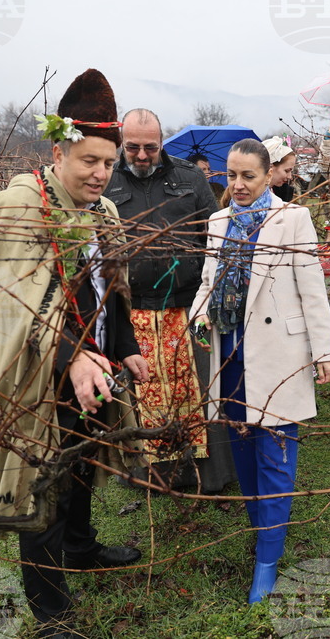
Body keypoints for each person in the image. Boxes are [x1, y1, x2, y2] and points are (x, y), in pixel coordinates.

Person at [0, 69, 148, 637]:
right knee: (42, 475)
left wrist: (126, 349)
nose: (100, 174)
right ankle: (49, 607)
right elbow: (12, 298)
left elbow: (111, 290)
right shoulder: (21, 204)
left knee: (83, 464)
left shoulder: (104, 213)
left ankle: (81, 546)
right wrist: (69, 355)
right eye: (89, 161)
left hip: (93, 367)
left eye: (108, 165)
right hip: (38, 372)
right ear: (59, 150)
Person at [190, 138, 330, 604]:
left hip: (277, 354)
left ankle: (268, 560)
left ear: (269, 174)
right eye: (230, 175)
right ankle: (262, 529)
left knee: (274, 453)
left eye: (248, 176)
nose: (237, 185)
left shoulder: (291, 218)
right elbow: (207, 280)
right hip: (229, 353)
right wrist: (199, 315)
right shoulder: (217, 220)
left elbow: (312, 287)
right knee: (243, 446)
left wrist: (324, 351)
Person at [105, 108, 235, 494]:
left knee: (199, 392)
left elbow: (214, 238)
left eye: (150, 147)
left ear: (161, 142)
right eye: (133, 147)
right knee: (142, 395)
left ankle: (206, 478)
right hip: (135, 311)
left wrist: (209, 296)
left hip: (187, 307)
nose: (142, 155)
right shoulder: (106, 182)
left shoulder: (190, 177)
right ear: (121, 143)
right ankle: (151, 479)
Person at [262, 136, 299, 202]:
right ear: (270, 166)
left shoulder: (281, 193)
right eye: (287, 171)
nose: (290, 177)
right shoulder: (251, 197)